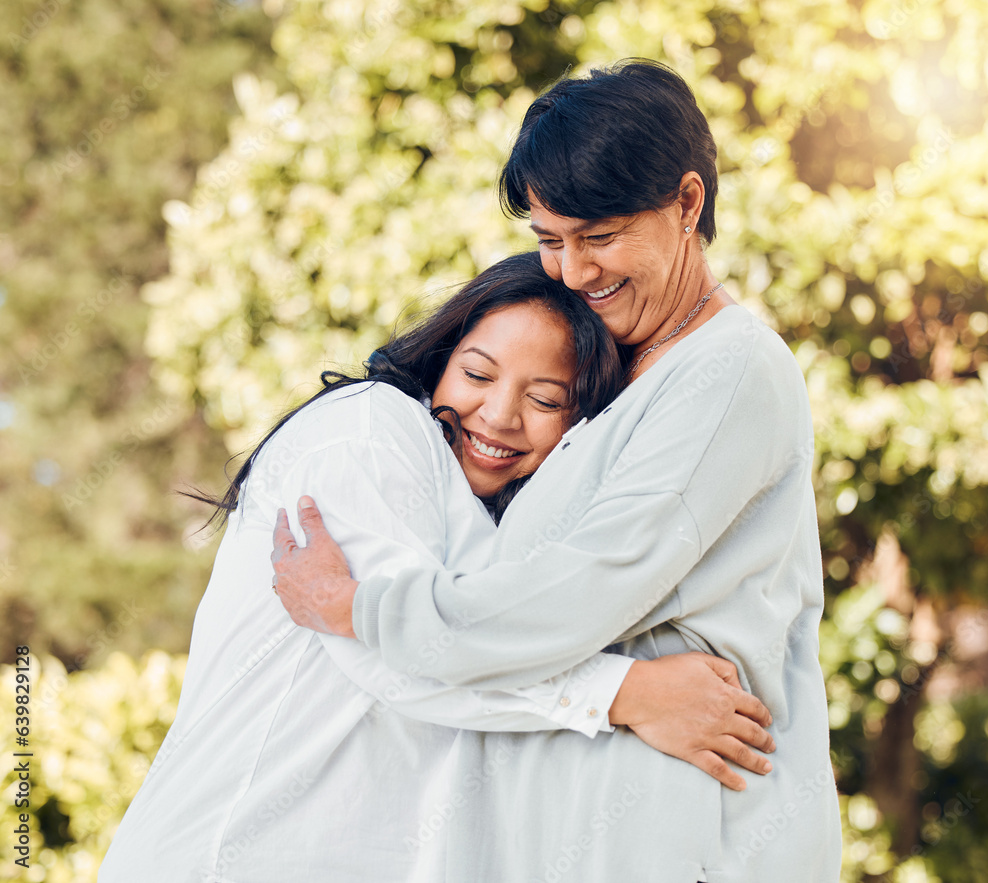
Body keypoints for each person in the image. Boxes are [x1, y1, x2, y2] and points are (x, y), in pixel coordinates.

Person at [272, 60, 842, 882]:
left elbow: (567, 597)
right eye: (549, 241)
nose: (574, 272)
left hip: (684, 834)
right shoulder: (610, 375)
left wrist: (357, 605)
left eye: (599, 237)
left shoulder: (731, 373)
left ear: (688, 203)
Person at [99, 252, 772, 883]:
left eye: (544, 400)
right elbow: (402, 654)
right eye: (478, 374)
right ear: (442, 355)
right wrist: (633, 694)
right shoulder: (368, 432)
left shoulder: (502, 526)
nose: (500, 414)